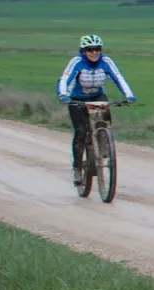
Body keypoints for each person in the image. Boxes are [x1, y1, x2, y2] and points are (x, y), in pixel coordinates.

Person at [57, 34, 136, 184]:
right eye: (90, 49)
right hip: (77, 99)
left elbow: (118, 78)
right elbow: (64, 79)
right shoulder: (77, 62)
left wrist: (129, 95)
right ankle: (78, 168)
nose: (94, 53)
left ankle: (103, 146)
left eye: (97, 49)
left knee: (103, 123)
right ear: (83, 51)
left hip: (96, 97)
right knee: (81, 132)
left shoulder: (106, 61)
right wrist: (63, 95)